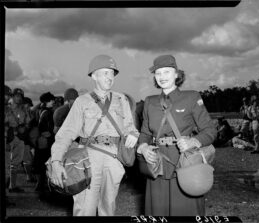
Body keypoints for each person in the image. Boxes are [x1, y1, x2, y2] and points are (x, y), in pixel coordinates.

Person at [49, 54, 139, 216]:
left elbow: (130, 127)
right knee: (85, 208)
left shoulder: (122, 100)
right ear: (93, 76)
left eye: (112, 73)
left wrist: (133, 133)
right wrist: (56, 161)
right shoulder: (82, 102)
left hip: (114, 158)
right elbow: (66, 133)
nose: (109, 77)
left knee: (108, 208)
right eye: (105, 72)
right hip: (88, 158)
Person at [137, 55, 217, 216]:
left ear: (176, 74)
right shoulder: (149, 102)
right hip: (157, 169)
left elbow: (210, 130)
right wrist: (143, 147)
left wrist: (194, 141)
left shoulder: (191, 97)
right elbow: (145, 133)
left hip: (186, 166)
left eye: (167, 72)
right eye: (158, 73)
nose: (162, 77)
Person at [5, 88, 31, 193]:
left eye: (20, 96)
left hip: (19, 138)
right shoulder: (7, 108)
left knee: (16, 162)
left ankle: (12, 186)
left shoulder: (23, 110)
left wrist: (24, 126)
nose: (18, 98)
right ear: (12, 96)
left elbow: (28, 122)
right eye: (16, 96)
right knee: (6, 164)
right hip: (8, 137)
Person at [34, 92, 56, 195]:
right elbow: (43, 128)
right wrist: (52, 135)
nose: (53, 101)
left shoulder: (39, 110)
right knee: (46, 163)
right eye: (51, 100)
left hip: (40, 142)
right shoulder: (47, 112)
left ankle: (40, 185)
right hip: (46, 142)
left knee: (40, 163)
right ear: (47, 101)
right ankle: (44, 186)